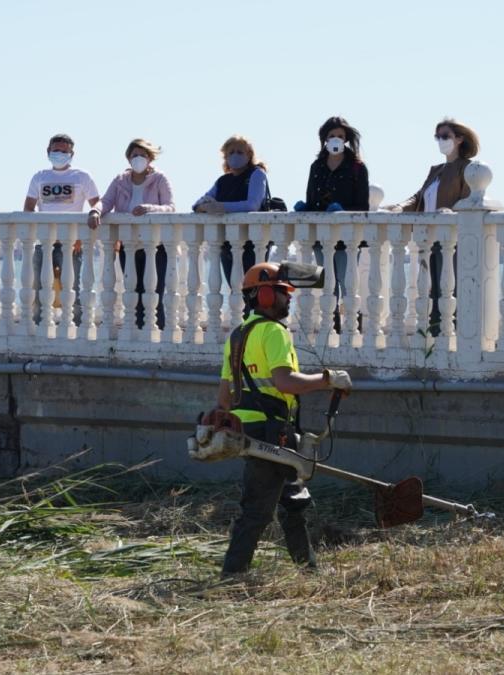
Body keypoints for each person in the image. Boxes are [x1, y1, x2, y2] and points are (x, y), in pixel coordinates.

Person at [216, 262, 352, 577]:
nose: (288, 299)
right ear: (263, 295)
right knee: (257, 511)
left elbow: (223, 399)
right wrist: (329, 379)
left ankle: (308, 570)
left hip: (251, 430)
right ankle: (232, 575)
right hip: (272, 430)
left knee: (293, 501)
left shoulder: (236, 336)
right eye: (281, 293)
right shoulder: (274, 332)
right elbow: (286, 382)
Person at [384, 119, 481, 333]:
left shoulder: (468, 168)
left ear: (459, 139)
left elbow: (468, 200)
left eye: (445, 136)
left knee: (450, 289)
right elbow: (419, 196)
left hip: (453, 241)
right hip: (430, 239)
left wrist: (450, 213)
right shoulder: (436, 170)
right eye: (437, 137)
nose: (440, 141)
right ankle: (435, 334)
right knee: (433, 289)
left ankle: (451, 333)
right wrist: (399, 207)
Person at [301, 117, 370, 331]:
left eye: (340, 136)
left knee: (346, 282)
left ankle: (352, 329)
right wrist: (305, 208)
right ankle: (331, 328)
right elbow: (311, 198)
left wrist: (342, 210)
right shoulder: (317, 166)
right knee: (327, 284)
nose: (336, 140)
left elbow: (363, 206)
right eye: (331, 136)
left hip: (347, 237)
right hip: (321, 237)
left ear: (347, 139)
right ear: (324, 140)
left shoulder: (357, 168)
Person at [23, 133, 101, 323]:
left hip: (72, 244)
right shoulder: (39, 177)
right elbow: (28, 208)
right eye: (56, 150)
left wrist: (82, 237)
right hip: (45, 243)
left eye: (64, 151)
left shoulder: (82, 177)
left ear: (71, 153)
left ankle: (76, 324)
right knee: (39, 287)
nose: (59, 154)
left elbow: (97, 205)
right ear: (48, 151)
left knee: (71, 287)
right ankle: (38, 324)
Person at [99, 139, 175, 329]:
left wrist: (149, 209)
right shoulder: (120, 180)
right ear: (128, 158)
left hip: (156, 247)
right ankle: (135, 331)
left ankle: (157, 333)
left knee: (154, 293)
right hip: (128, 246)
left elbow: (170, 207)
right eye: (134, 155)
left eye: (142, 155)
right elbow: (106, 201)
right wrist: (95, 211)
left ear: (150, 158)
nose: (138, 159)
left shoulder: (160, 179)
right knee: (133, 291)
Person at [193, 135, 271, 283]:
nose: (235, 155)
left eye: (240, 152)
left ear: (249, 155)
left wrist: (220, 207)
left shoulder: (257, 174)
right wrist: (203, 207)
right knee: (234, 286)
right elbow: (198, 202)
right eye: (231, 152)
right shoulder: (223, 181)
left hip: (253, 242)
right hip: (227, 241)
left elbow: (252, 205)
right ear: (225, 156)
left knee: (254, 286)